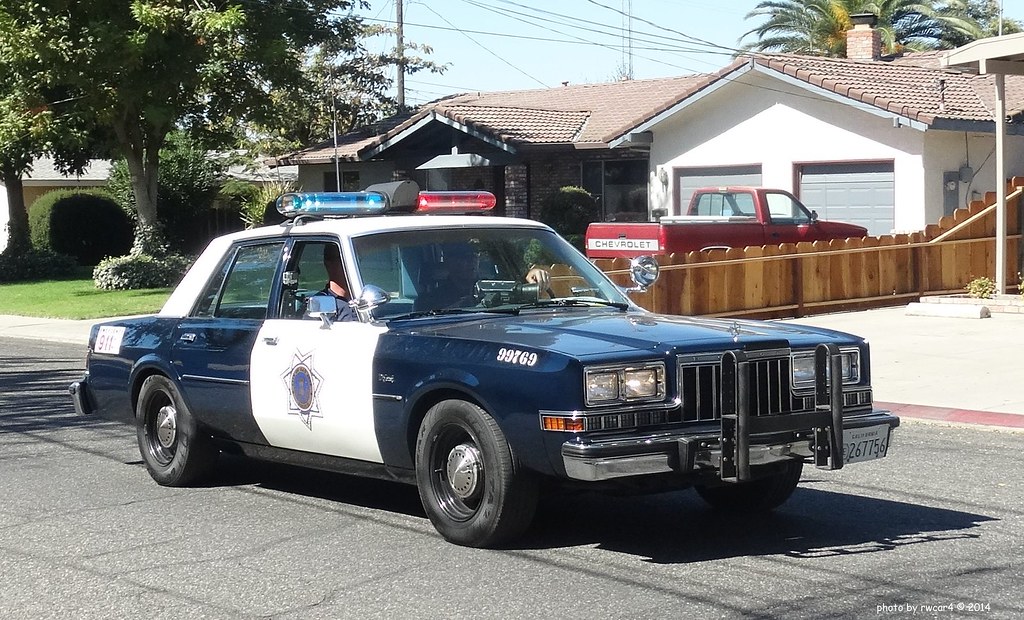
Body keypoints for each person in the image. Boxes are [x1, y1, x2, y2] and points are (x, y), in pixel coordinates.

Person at [414, 244, 550, 311]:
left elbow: (517, 291)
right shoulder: (429, 302)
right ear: (449, 262)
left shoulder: (496, 286)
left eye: (475, 256)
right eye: (464, 257)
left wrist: (531, 275)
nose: (472, 261)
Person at [317, 243, 357, 322]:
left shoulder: (367, 300)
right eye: (345, 260)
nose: (354, 265)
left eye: (357, 259)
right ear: (329, 264)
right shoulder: (319, 303)